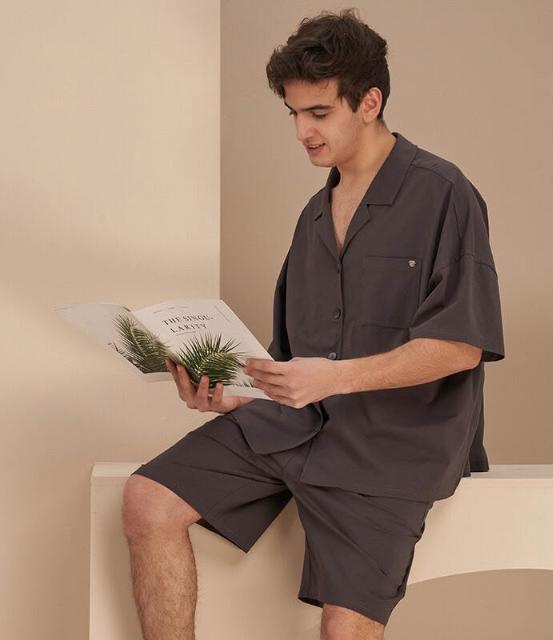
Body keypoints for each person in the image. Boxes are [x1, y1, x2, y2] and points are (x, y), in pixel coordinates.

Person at [122, 8, 505, 640]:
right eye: (294, 114)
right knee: (147, 500)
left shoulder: (444, 194)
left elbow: (462, 345)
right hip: (292, 427)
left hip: (391, 449)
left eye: (319, 113)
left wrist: (332, 379)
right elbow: (292, 358)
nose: (303, 131)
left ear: (369, 102)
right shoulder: (313, 215)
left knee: (343, 630)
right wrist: (231, 396)